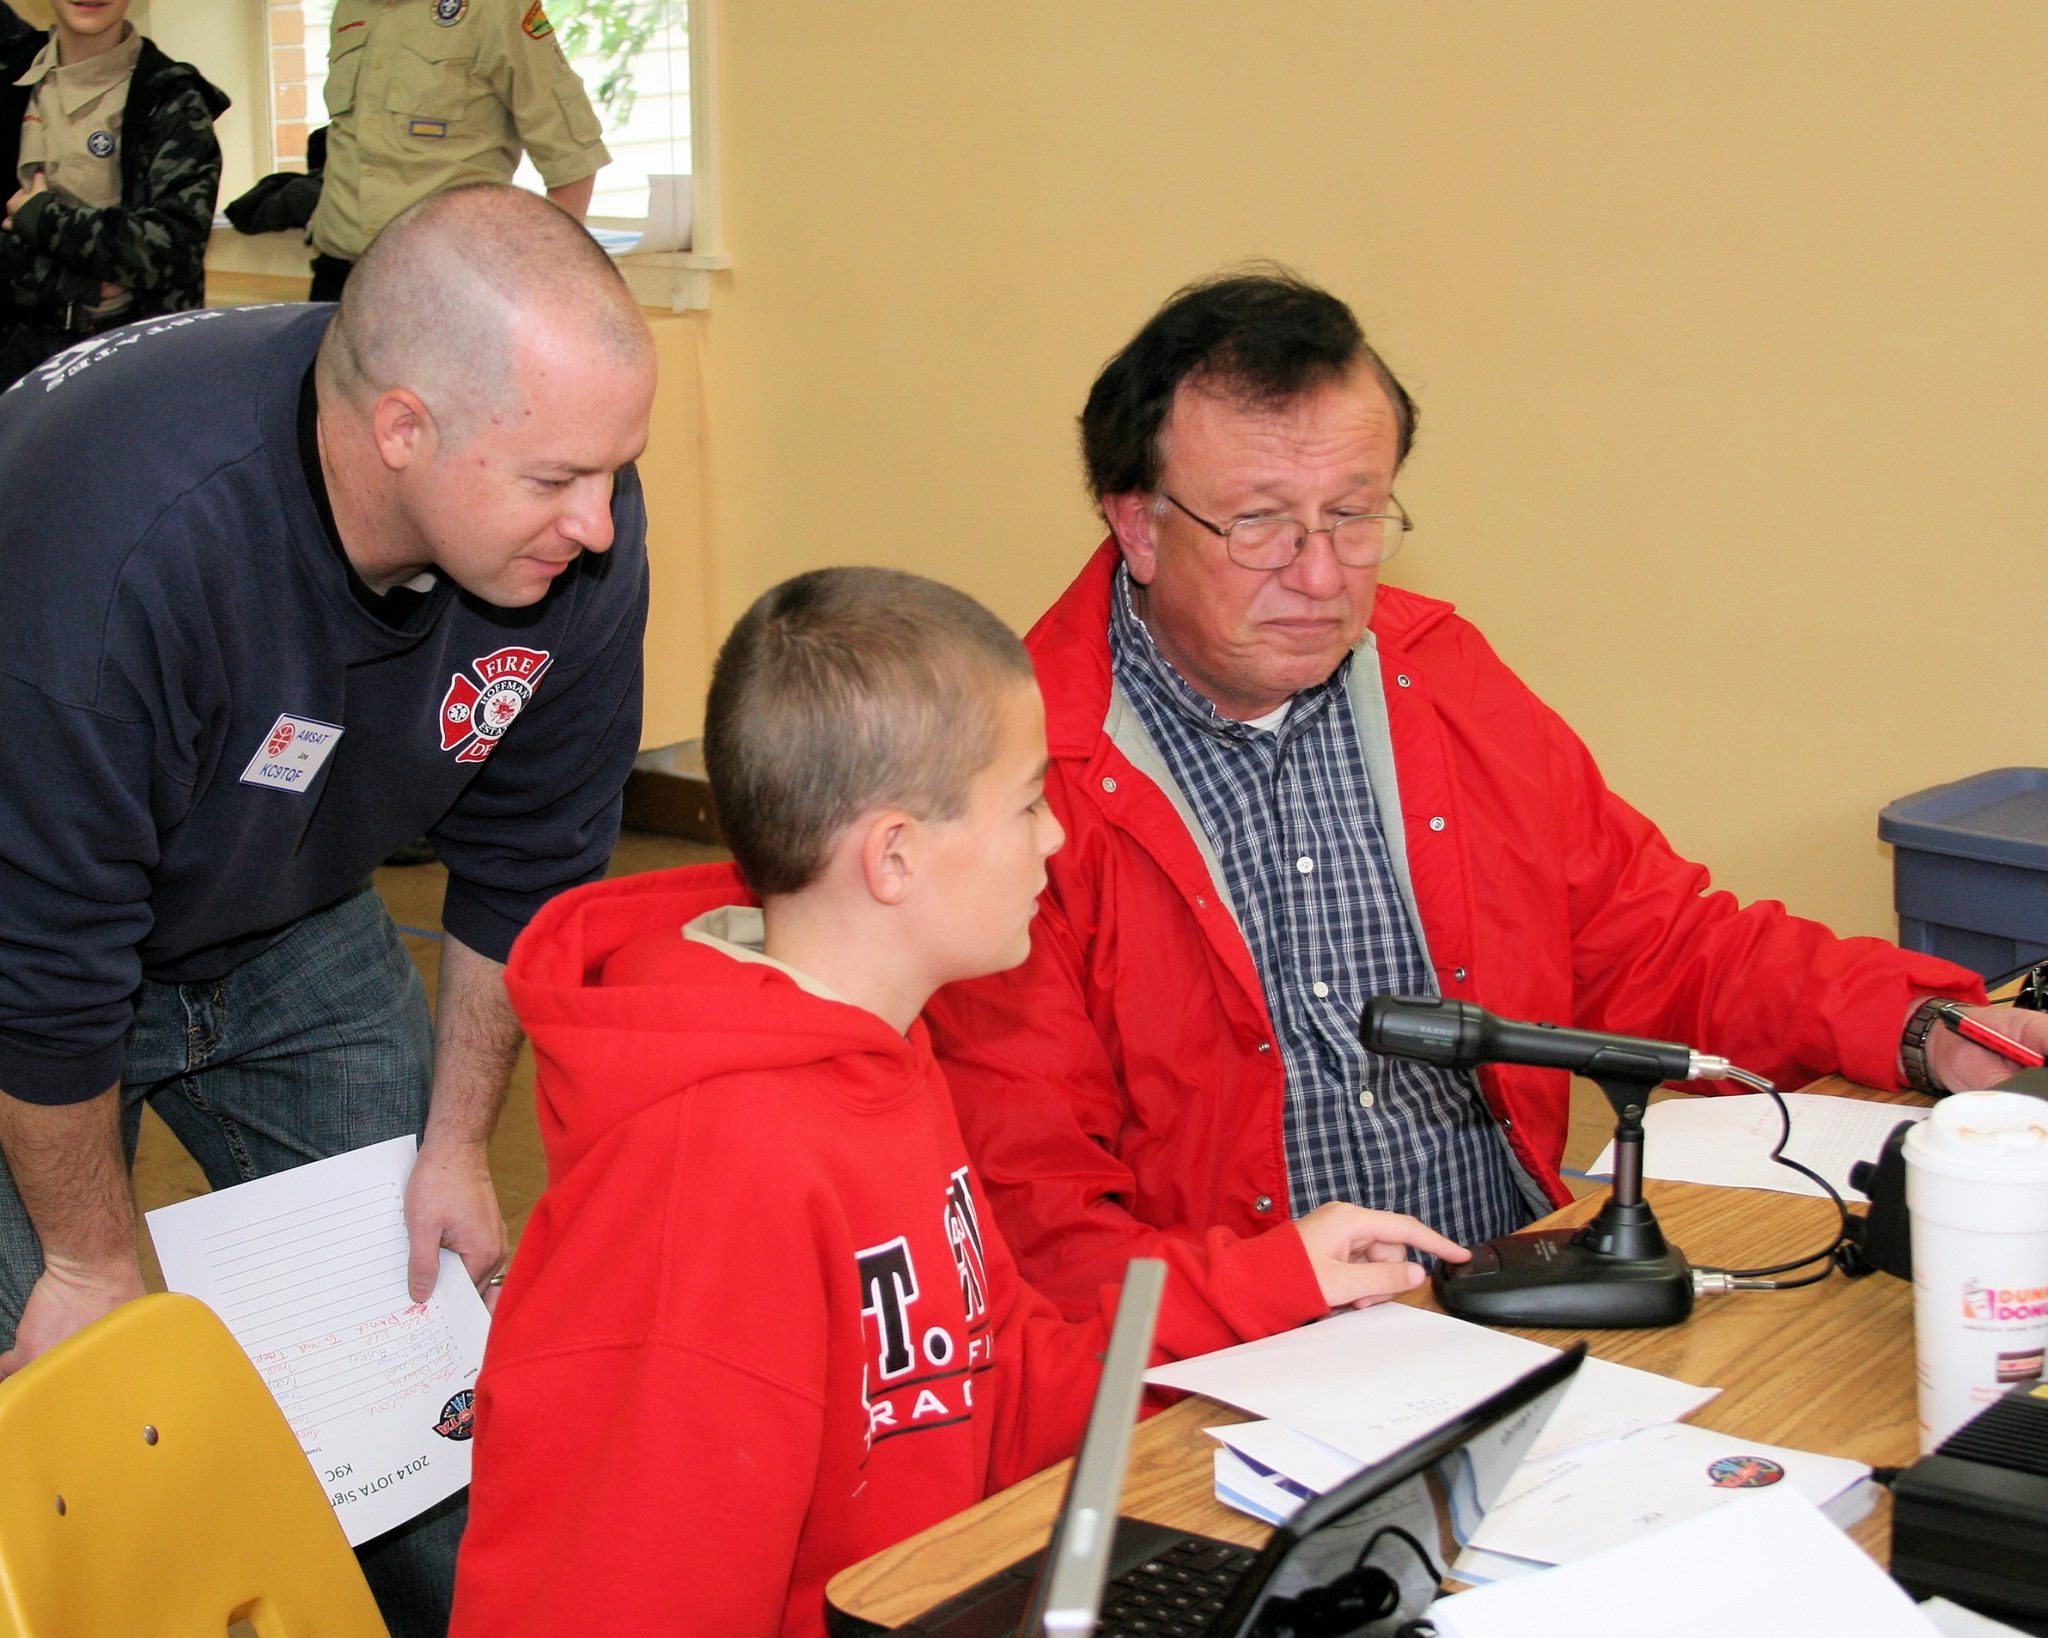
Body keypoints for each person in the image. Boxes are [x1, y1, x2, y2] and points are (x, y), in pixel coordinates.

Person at [923, 269, 2048, 1323]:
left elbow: (1660, 946)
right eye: (1259, 522)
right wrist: (1278, 1297)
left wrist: (1922, 1031)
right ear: (1137, 524)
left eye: (1354, 514)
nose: (1320, 575)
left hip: (1512, 1287)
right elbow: (1037, 1221)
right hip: (1238, 1364)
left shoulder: (1437, 679)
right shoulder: (1011, 788)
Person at [449, 567, 1464, 1638]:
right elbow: (614, 1592)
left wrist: (1272, 1279)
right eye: (1027, 804)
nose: (1055, 838)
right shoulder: (704, 1179)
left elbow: (997, 1388)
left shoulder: (883, 1056)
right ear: (894, 856)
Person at [0, 182, 654, 1635]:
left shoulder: (568, 523)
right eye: (558, 478)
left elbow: (530, 865)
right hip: (29, 935)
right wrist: (94, 1262)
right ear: (402, 427)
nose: (600, 524)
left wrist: (456, 1146)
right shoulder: (115, 547)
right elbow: (42, 970)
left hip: (282, 907)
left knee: (425, 1385)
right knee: (63, 1431)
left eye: (616, 470)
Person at [307, 0, 610, 302]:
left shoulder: (497, 8)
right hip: (338, 277)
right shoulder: (351, 7)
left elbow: (572, 159)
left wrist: (543, 281)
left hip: (449, 282)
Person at [0, 0, 227, 388]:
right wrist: (81, 283)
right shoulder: (11, 75)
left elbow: (171, 250)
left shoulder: (172, 98)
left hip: (129, 354)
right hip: (15, 352)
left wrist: (41, 217)